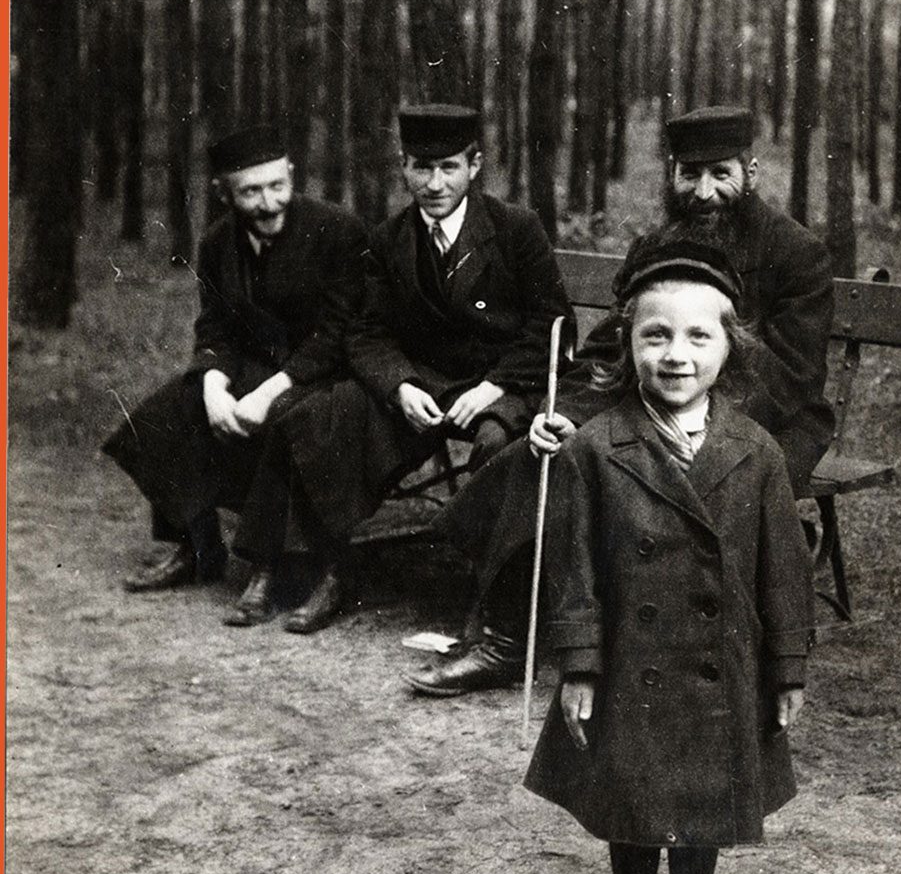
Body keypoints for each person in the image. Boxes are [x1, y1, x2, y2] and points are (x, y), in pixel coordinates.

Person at [404, 103, 832, 696]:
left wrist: (691, 422)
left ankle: (718, 643)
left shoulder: (796, 254)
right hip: (657, 401)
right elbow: (609, 352)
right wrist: (568, 413)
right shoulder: (656, 247)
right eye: (689, 174)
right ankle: (506, 639)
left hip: (769, 416)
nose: (703, 192)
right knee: (552, 453)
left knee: (716, 475)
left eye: (720, 174)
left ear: (751, 173)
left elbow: (791, 374)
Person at [523, 231, 815, 874]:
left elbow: (783, 571)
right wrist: (580, 666)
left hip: (722, 664)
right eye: (656, 334)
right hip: (630, 663)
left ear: (731, 345)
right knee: (631, 800)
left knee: (704, 801)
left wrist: (787, 667)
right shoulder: (596, 445)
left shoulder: (756, 453)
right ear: (629, 344)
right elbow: (575, 569)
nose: (677, 354)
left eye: (698, 335)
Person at [224, 103, 573, 634]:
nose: (434, 183)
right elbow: (367, 332)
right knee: (320, 413)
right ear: (404, 168)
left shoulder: (514, 228)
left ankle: (491, 601)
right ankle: (327, 568)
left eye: (449, 167)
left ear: (474, 166)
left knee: (498, 446)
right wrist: (400, 386)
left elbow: (553, 324)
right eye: (420, 167)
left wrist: (495, 385)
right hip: (423, 383)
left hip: (501, 381)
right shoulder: (389, 239)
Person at [103, 123, 367, 592]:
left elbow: (337, 334)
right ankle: (196, 546)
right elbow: (215, 327)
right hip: (252, 366)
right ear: (223, 193)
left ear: (291, 174)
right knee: (167, 413)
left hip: (322, 371)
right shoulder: (216, 244)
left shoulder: (338, 231)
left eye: (277, 186)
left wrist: (268, 391)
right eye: (251, 192)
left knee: (285, 419)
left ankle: (271, 564)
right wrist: (211, 384)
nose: (268, 203)